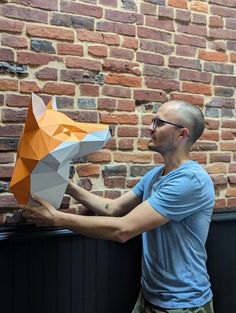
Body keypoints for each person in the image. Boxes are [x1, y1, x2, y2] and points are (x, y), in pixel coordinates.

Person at [22, 100, 215, 313]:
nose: (150, 128)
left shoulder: (191, 181)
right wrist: (66, 186)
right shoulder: (155, 175)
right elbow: (111, 208)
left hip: (184, 303)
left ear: (182, 134)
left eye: (159, 123)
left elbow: (123, 229)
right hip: (150, 295)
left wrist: (56, 218)